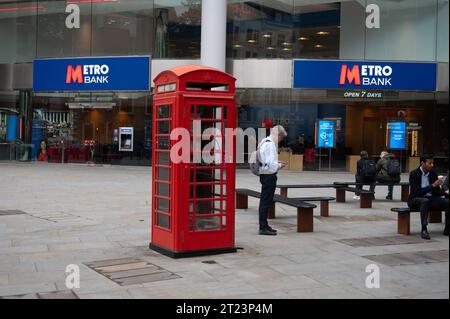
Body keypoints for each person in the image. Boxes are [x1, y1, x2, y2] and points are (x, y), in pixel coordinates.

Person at [408, 155, 449, 239]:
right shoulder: (414, 174)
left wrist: (444, 192)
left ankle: (447, 229)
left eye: (433, 163)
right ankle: (424, 229)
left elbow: (436, 192)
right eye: (430, 163)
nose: (432, 165)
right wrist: (433, 185)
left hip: (430, 199)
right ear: (422, 163)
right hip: (415, 199)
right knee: (424, 201)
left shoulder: (433, 174)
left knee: (447, 202)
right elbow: (417, 192)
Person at [257, 125, 288, 236]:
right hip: (269, 175)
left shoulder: (263, 141)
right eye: (281, 138)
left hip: (263, 174)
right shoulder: (270, 145)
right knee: (266, 201)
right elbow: (271, 165)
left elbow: (264, 160)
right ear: (277, 135)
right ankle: (263, 227)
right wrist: (280, 165)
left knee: (265, 200)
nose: (281, 140)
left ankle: (264, 225)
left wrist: (276, 161)